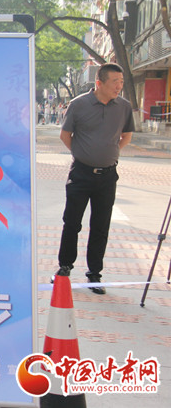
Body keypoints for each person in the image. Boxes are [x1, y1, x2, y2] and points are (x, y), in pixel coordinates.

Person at [56, 63, 134, 294]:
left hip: (107, 176)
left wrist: (111, 153)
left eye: (121, 82)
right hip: (81, 174)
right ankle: (65, 267)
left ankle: (94, 273)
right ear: (99, 83)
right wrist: (82, 154)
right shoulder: (78, 104)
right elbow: (65, 135)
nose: (119, 86)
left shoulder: (124, 107)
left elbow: (127, 136)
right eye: (115, 82)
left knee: (101, 225)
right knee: (72, 222)